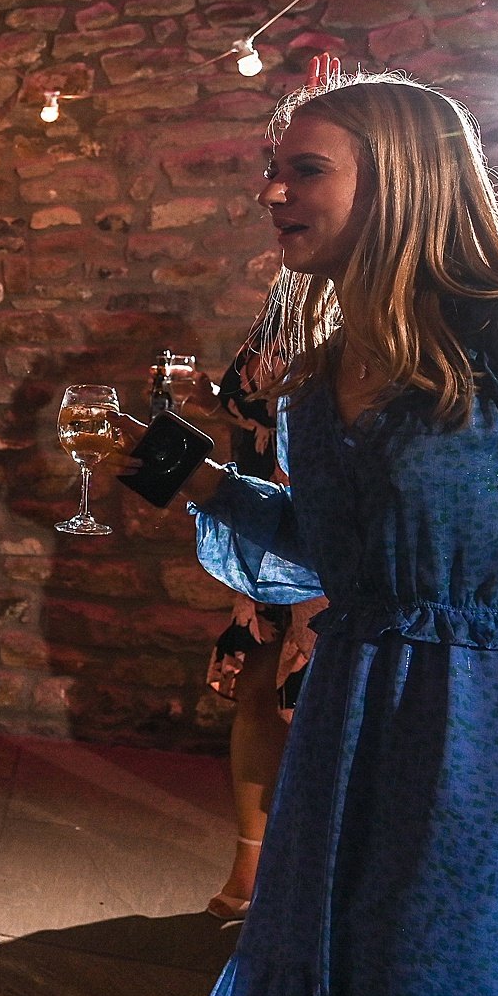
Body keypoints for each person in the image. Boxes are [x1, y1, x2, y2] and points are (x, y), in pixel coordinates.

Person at [113, 72, 498, 996]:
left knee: (431, 964)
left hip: (485, 718)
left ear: (400, 181)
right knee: (323, 953)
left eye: (305, 170)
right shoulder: (316, 371)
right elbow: (326, 546)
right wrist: (185, 474)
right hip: (350, 703)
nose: (272, 192)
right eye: (273, 171)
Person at [159, 310, 324, 922]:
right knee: (258, 693)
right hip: (260, 519)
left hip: (317, 527)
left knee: (305, 703)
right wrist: (207, 396)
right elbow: (251, 408)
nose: (270, 206)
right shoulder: (284, 306)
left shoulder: (361, 303)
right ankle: (250, 872)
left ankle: (302, 885)